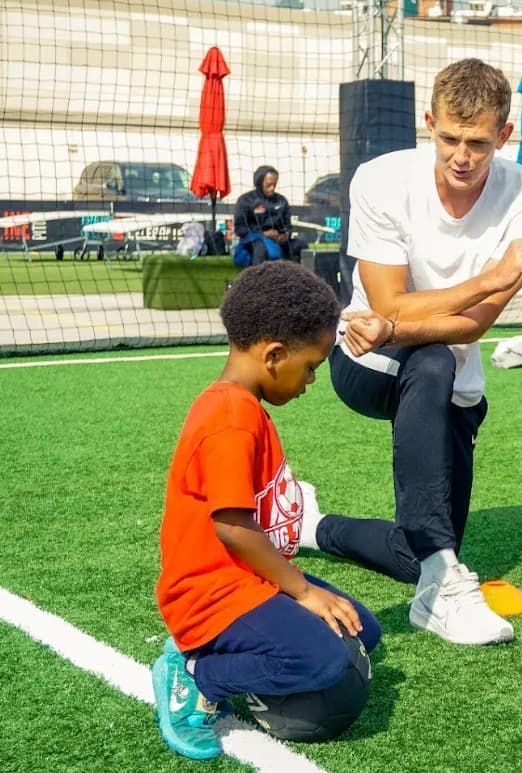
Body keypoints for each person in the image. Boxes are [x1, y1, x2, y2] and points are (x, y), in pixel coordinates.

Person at [302, 58, 522, 647]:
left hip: (438, 367)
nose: (461, 156)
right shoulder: (381, 179)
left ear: (503, 136)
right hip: (364, 360)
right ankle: (441, 589)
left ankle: (312, 525)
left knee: (414, 550)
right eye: (448, 139)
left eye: (477, 143)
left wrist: (399, 323)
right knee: (433, 357)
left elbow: (473, 326)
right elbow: (387, 301)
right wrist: (489, 277)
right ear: (429, 124)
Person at [151, 262, 381, 761]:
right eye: (311, 366)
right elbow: (232, 527)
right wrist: (302, 590)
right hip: (211, 594)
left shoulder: (247, 409)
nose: (312, 380)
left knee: (364, 630)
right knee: (322, 662)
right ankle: (197, 673)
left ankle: (222, 650)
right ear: (274, 355)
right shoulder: (229, 418)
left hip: (247, 579)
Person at [233, 166, 308, 266]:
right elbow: (240, 229)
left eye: (274, 185)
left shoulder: (281, 201)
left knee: (301, 244)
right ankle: (258, 273)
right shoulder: (245, 200)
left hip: (278, 241)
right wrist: (263, 234)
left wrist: (285, 235)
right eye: (269, 185)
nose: (272, 188)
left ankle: (297, 273)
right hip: (254, 240)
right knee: (261, 246)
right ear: (259, 182)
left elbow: (288, 226)